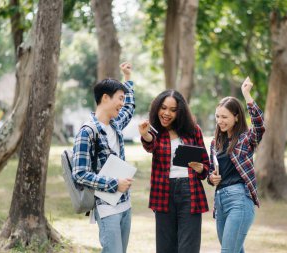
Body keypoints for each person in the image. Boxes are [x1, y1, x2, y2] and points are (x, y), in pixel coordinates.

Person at [72, 62, 135, 253]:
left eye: (123, 99)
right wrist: (114, 184)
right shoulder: (87, 132)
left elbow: (129, 108)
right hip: (106, 208)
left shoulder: (115, 124)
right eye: (119, 99)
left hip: (125, 204)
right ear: (105, 98)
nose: (122, 103)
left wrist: (128, 79)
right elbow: (80, 173)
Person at [138, 90, 209, 253]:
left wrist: (201, 168)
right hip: (163, 192)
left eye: (172, 110)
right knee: (165, 247)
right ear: (157, 108)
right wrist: (145, 135)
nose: (166, 113)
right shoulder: (155, 131)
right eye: (163, 108)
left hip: (190, 192)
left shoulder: (193, 130)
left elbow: (206, 165)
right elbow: (151, 145)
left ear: (180, 112)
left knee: (188, 247)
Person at [208, 77, 265, 253]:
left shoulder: (246, 139)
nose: (220, 121)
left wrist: (246, 94)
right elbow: (212, 172)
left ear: (236, 117)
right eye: (218, 116)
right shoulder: (214, 143)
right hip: (220, 202)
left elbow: (260, 125)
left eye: (225, 117)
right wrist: (212, 178)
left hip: (239, 200)